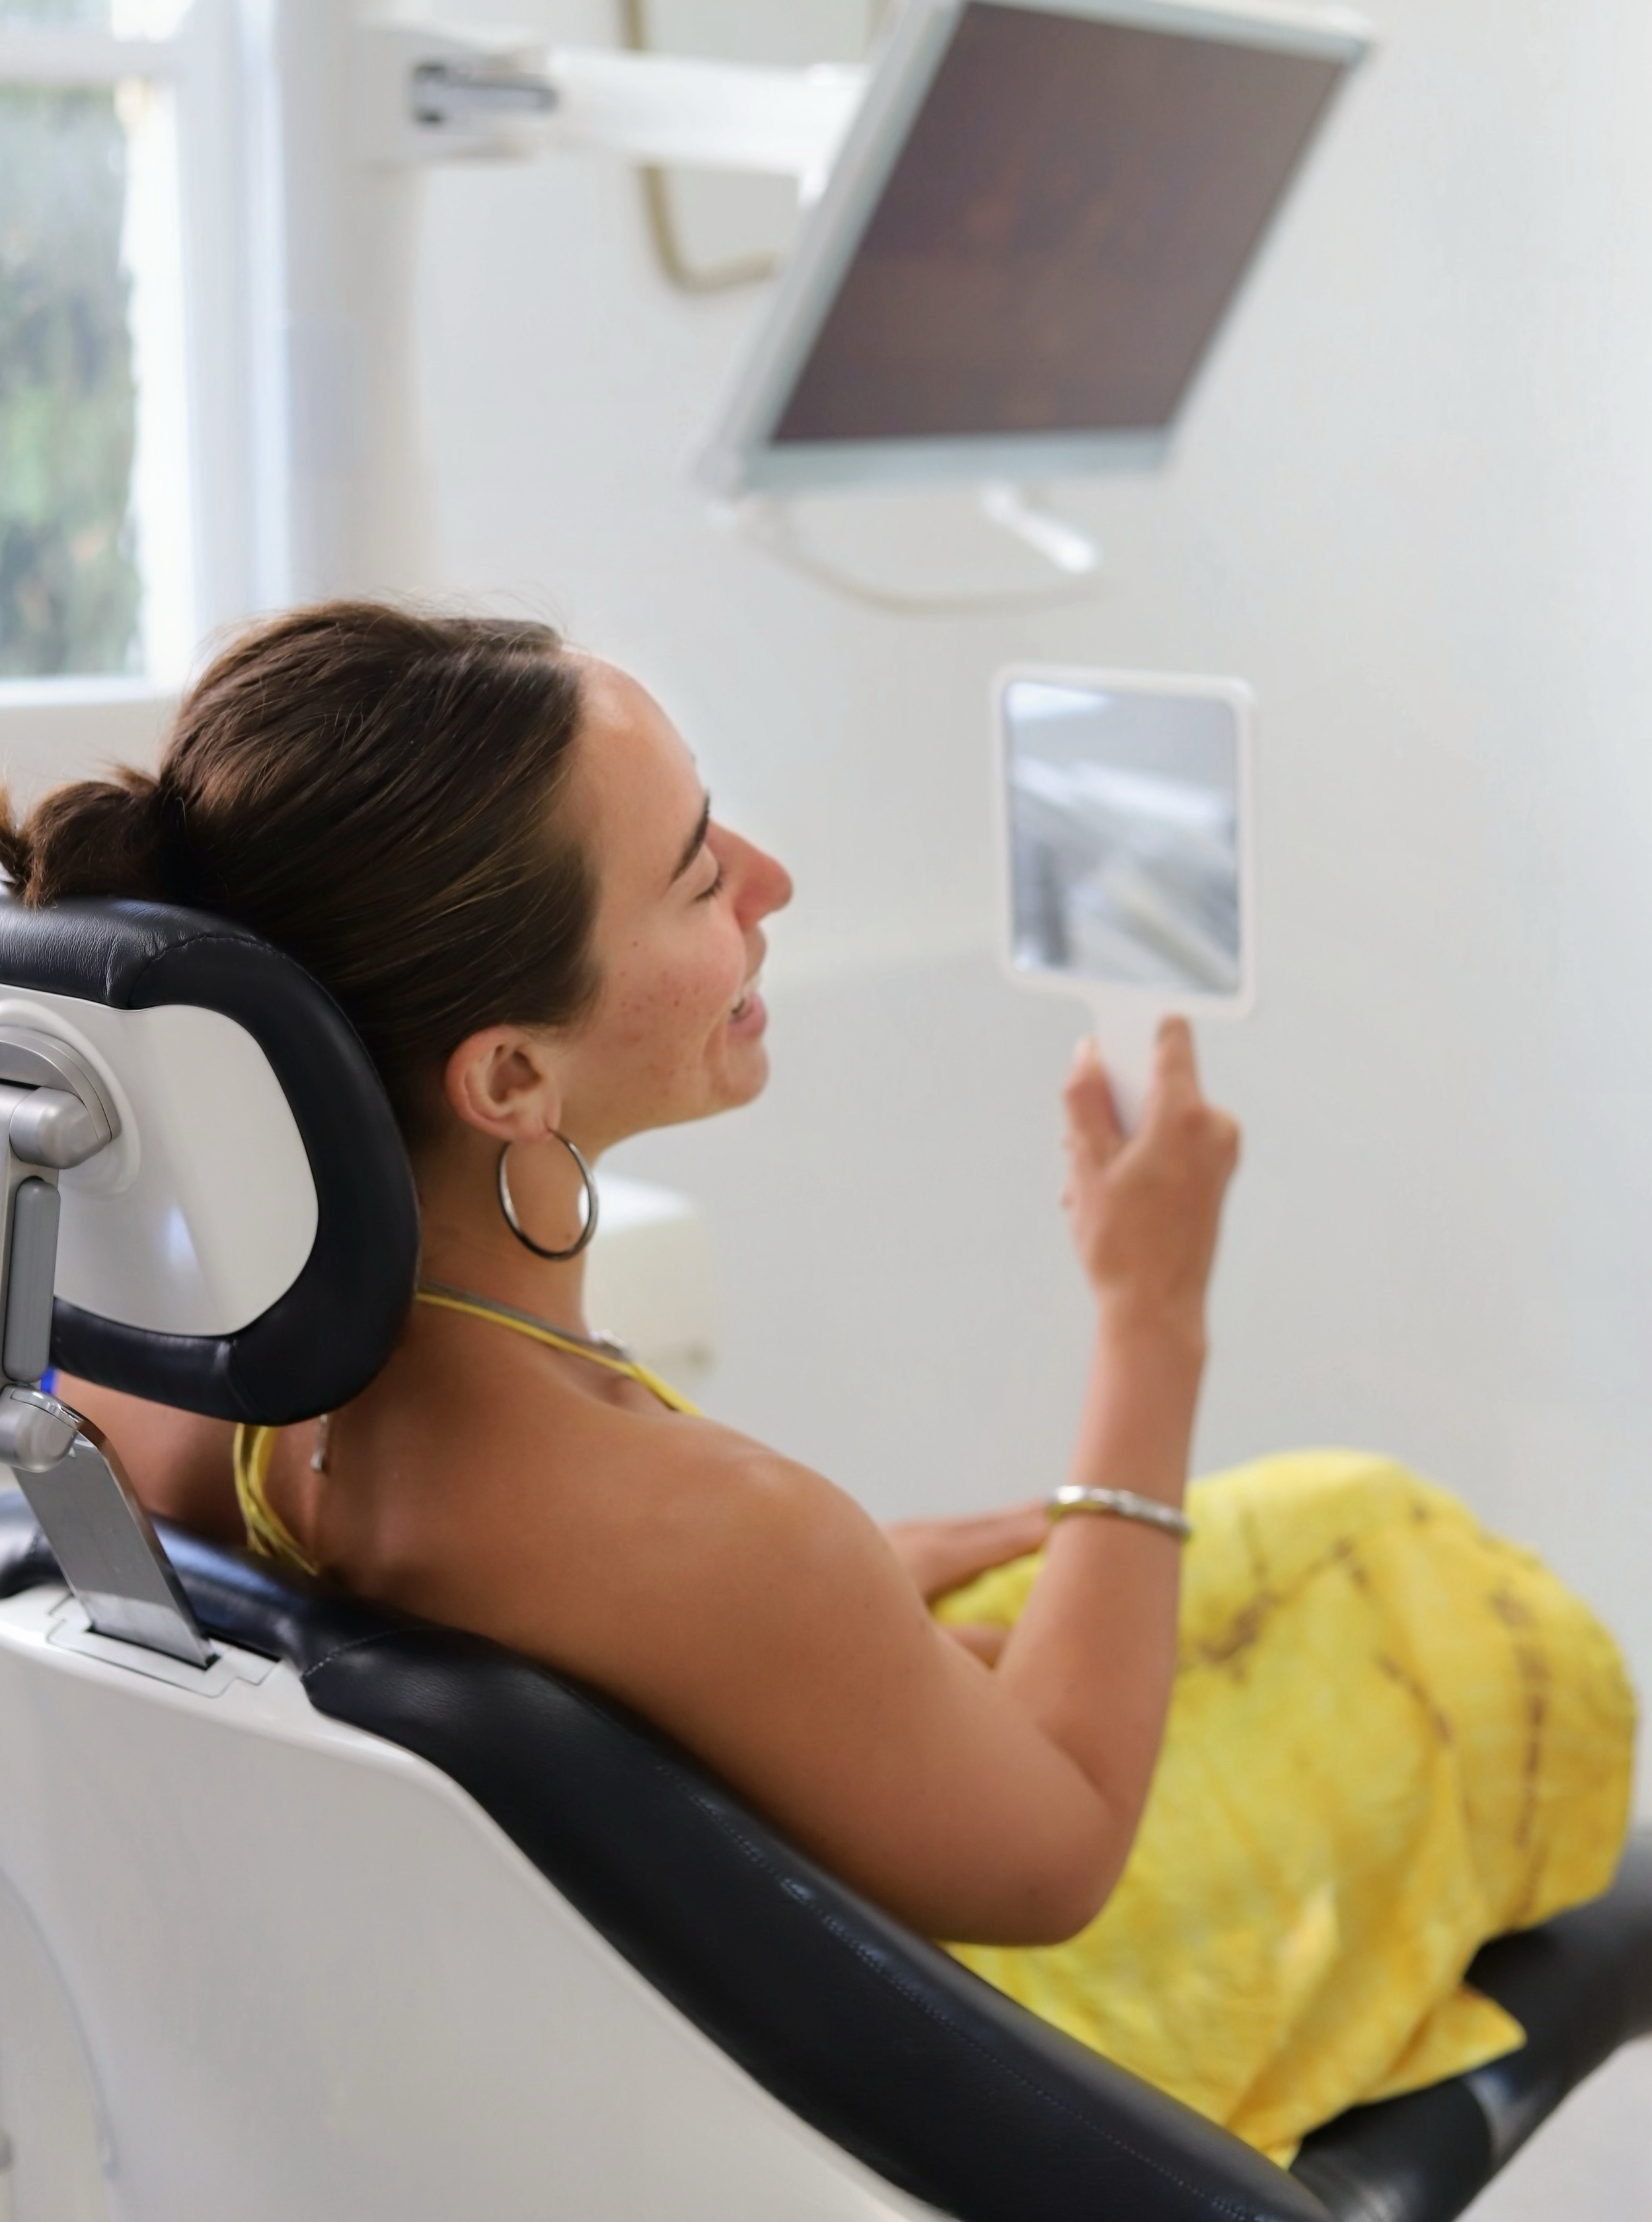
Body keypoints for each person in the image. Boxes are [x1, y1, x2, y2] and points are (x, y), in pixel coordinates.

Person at [0, 602, 1632, 2165]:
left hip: (568, 2059)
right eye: (700, 873)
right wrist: (1153, 1314)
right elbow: (1059, 1852)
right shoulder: (705, 1532)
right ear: (508, 1077)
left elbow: (620, 1630)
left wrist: (850, 1603)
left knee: (1230, 1541)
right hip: (997, 2060)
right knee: (1392, 1555)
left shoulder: (167, 1404)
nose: (771, 881)